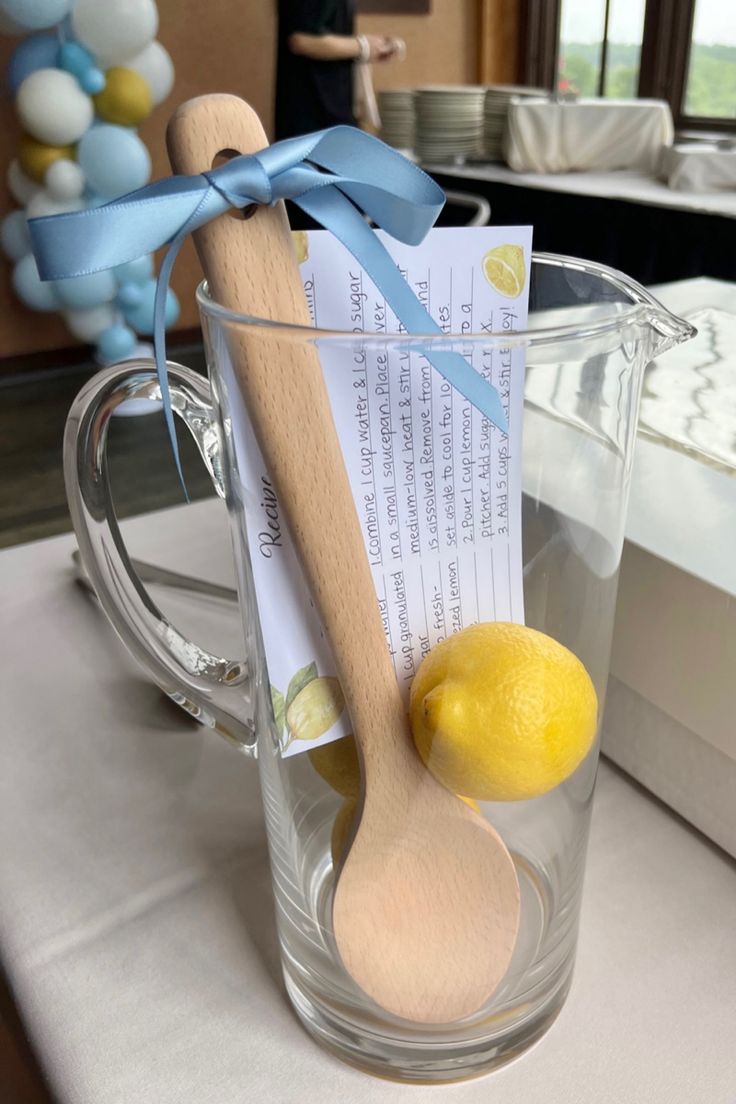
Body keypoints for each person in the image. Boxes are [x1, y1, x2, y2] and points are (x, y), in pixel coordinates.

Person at [275, 0, 398, 140]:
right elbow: (301, 40)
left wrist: (367, 47)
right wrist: (362, 47)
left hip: (331, 114)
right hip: (314, 116)